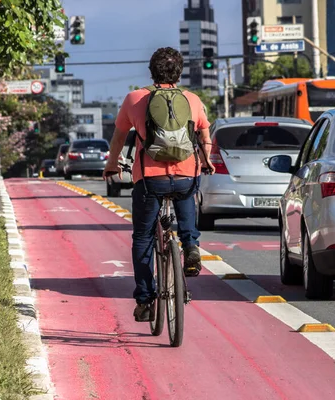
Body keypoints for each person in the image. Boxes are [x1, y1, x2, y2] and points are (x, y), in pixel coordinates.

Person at [103, 47, 214, 322]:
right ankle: (190, 246)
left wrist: (112, 163)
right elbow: (204, 135)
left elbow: (118, 138)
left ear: (151, 71)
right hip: (187, 176)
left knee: (142, 237)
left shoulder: (135, 99)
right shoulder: (192, 100)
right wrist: (207, 160)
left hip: (150, 179)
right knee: (187, 209)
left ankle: (144, 300)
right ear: (180, 71)